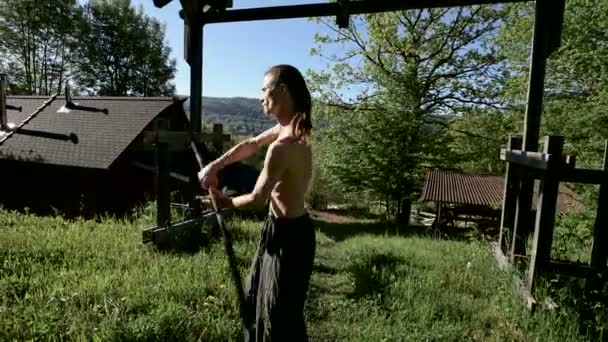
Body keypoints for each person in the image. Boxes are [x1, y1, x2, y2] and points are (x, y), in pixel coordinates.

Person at [198, 64, 315, 342]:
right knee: (258, 299)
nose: (260, 96)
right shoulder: (290, 127)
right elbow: (251, 143)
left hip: (290, 240)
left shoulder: (283, 147)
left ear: (282, 90)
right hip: (284, 230)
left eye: (265, 89)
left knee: (279, 317)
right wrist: (215, 165)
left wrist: (225, 203)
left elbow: (257, 199)